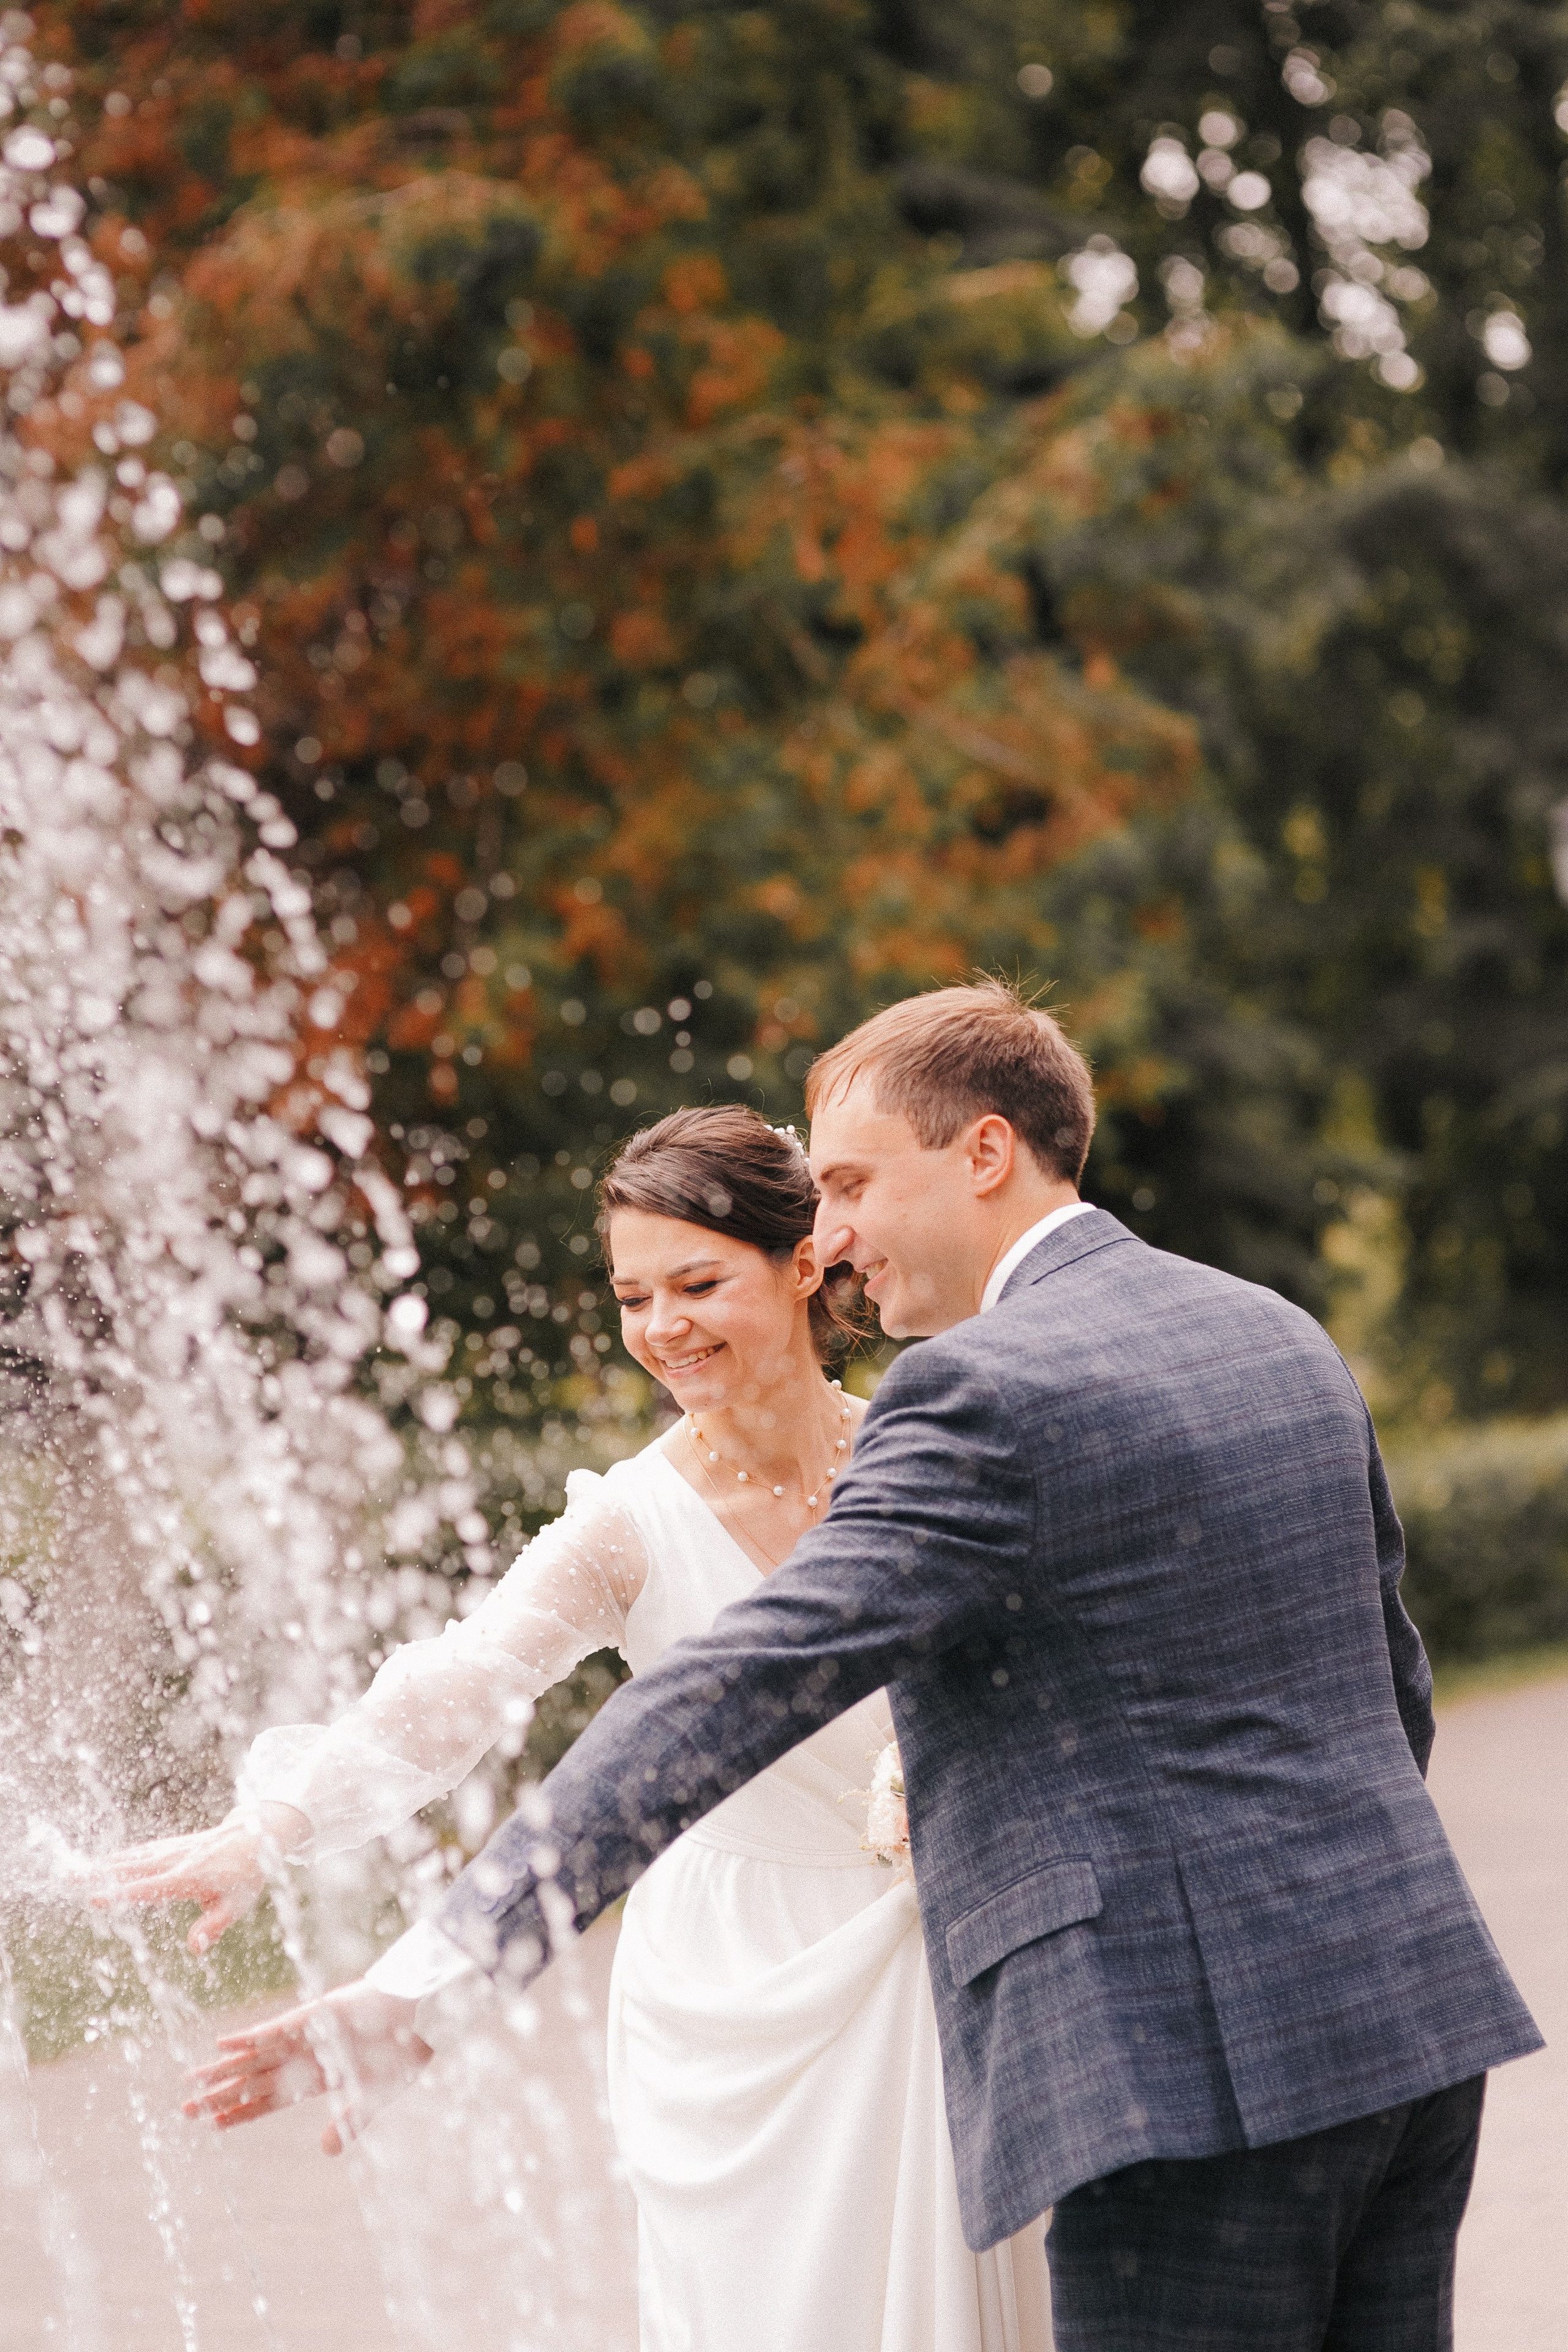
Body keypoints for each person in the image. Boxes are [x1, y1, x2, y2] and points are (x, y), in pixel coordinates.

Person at [172, 978, 1539, 2350]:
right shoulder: (1272, 1332)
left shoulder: (973, 1390)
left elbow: (727, 1696)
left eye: (851, 1184)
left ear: (985, 1152)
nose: (830, 1233)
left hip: (1187, 2067)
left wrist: (442, 1981)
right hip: (1405, 2013)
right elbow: (1390, 1689)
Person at [100, 1101, 1052, 2352]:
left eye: (698, 1285)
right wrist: (267, 1829)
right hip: (731, 1982)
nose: (663, 1329)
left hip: (943, 1952)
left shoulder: (921, 1455)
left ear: (803, 1264)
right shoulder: (627, 1524)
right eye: (632, 1298)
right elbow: (455, 1687)